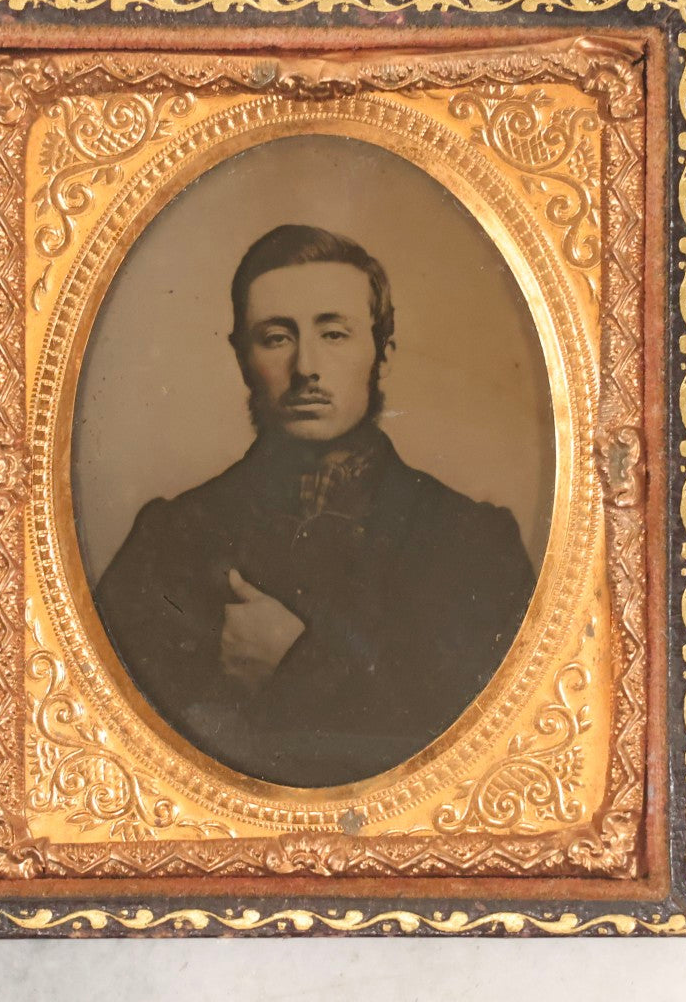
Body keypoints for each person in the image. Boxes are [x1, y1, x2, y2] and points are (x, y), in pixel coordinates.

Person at [94, 224, 535, 787]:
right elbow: (109, 747)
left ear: (384, 352)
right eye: (276, 337)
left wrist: (297, 661)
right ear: (241, 357)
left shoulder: (473, 540)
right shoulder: (168, 535)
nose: (306, 368)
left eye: (335, 334)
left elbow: (500, 757)